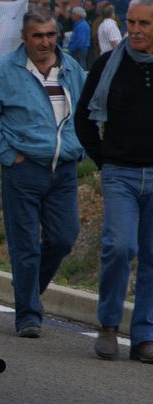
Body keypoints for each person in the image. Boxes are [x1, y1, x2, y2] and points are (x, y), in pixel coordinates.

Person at [0, 7, 86, 338]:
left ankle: (29, 293)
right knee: (25, 247)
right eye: (37, 35)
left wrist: (77, 147)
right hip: (23, 171)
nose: (45, 42)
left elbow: (87, 111)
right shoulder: (3, 73)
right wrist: (11, 157)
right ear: (24, 38)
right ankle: (28, 315)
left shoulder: (72, 69)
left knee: (63, 238)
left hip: (63, 170)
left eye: (51, 35)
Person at [75, 0, 153, 362]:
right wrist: (103, 160)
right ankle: (108, 325)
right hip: (119, 172)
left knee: (151, 255)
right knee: (120, 247)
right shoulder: (109, 64)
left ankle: (144, 336)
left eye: (144, 24)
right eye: (131, 22)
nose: (135, 29)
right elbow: (84, 118)